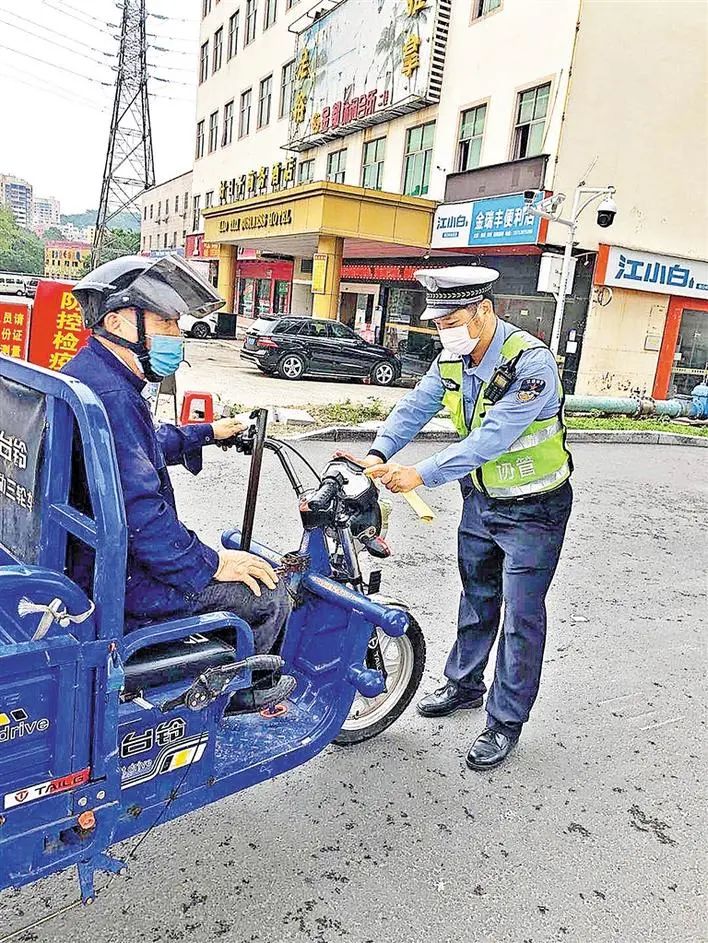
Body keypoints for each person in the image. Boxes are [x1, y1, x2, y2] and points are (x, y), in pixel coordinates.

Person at [352, 266, 573, 770]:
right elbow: (415, 407)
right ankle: (464, 684)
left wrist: (420, 474)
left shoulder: (530, 364)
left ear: (483, 311)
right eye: (438, 320)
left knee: (520, 616)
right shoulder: (451, 357)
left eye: (452, 319)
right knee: (477, 598)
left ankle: (504, 720)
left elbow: (491, 438)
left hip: (535, 508)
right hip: (481, 502)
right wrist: (378, 451)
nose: (443, 329)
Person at [63, 254, 290, 657]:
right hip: (123, 581)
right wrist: (210, 564)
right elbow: (142, 517)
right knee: (268, 596)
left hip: (89, 560)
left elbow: (135, 447)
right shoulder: (115, 395)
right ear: (117, 322)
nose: (176, 334)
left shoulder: (93, 373)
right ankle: (239, 703)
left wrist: (206, 433)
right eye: (165, 322)